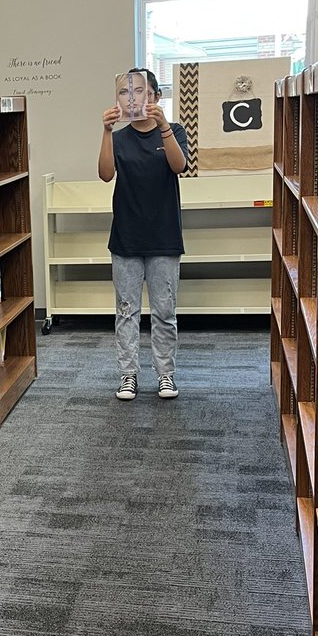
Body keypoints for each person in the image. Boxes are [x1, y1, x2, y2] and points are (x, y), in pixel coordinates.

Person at [98, 67, 188, 401]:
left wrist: (164, 127)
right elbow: (106, 174)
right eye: (125, 92)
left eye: (140, 92)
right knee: (126, 311)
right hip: (126, 237)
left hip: (164, 237)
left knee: (165, 311)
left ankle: (166, 374)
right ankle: (128, 375)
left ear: (155, 96)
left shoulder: (174, 130)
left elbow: (179, 166)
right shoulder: (119, 137)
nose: (132, 98)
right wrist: (106, 131)